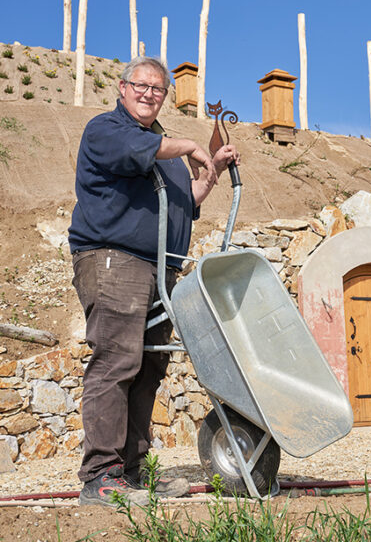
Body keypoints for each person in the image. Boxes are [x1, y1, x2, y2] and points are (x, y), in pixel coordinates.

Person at [68, 56, 240, 506]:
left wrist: (212, 170)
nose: (148, 94)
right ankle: (101, 477)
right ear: (122, 88)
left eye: (158, 89)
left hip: (161, 268)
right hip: (115, 258)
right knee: (117, 360)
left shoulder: (161, 149)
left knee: (147, 369)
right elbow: (137, 152)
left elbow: (187, 202)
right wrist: (186, 145)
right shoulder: (107, 130)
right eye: (140, 86)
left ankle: (133, 470)